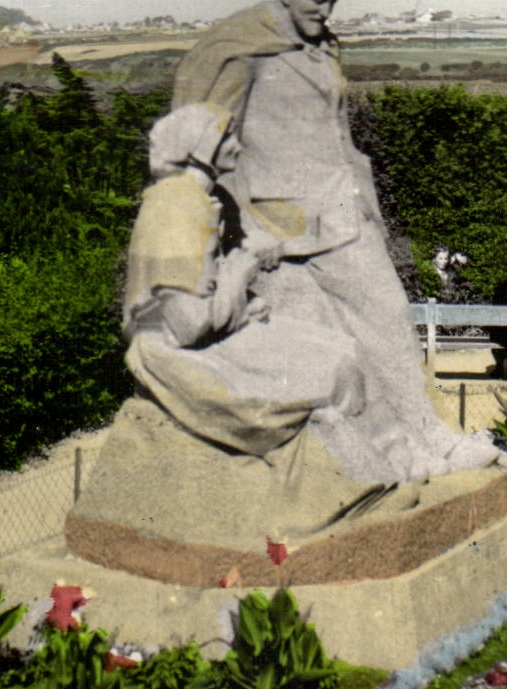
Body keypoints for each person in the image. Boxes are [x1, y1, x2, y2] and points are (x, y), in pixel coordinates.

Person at [169, 0, 503, 484]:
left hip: (342, 209)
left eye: (333, 3)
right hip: (277, 224)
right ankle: (401, 454)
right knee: (329, 348)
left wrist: (367, 206)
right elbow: (206, 139)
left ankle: (431, 435)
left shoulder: (325, 48)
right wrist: (235, 224)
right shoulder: (242, 48)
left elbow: (339, 134)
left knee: (389, 316)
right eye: (318, 1)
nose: (326, 12)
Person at [122, 103, 367, 458]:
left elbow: (219, 279)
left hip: (214, 330)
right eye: (228, 138)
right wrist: (242, 273)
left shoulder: (208, 199)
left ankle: (329, 455)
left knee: (342, 350)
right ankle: (318, 459)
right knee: (337, 368)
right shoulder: (178, 208)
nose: (238, 146)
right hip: (175, 353)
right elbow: (188, 326)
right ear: (202, 149)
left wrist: (246, 294)